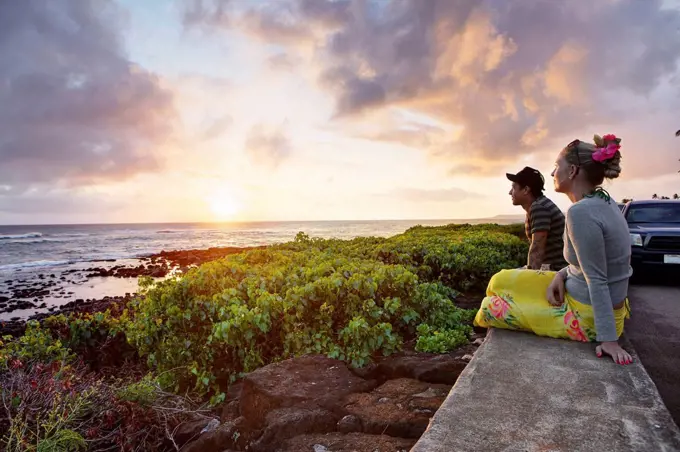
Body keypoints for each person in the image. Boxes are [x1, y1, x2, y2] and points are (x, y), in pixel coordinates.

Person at [475, 134, 633, 365]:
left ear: (572, 171)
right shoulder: (605, 202)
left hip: (586, 315)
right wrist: (561, 275)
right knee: (499, 281)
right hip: (585, 295)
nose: (552, 173)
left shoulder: (581, 212)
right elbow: (587, 263)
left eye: (557, 166)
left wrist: (609, 340)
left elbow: (598, 278)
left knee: (490, 307)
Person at [506, 166, 567, 270]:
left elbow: (537, 249)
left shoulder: (539, 207)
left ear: (526, 190)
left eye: (514, 188)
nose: (510, 192)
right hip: (551, 268)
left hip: (556, 270)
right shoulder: (538, 205)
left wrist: (530, 279)